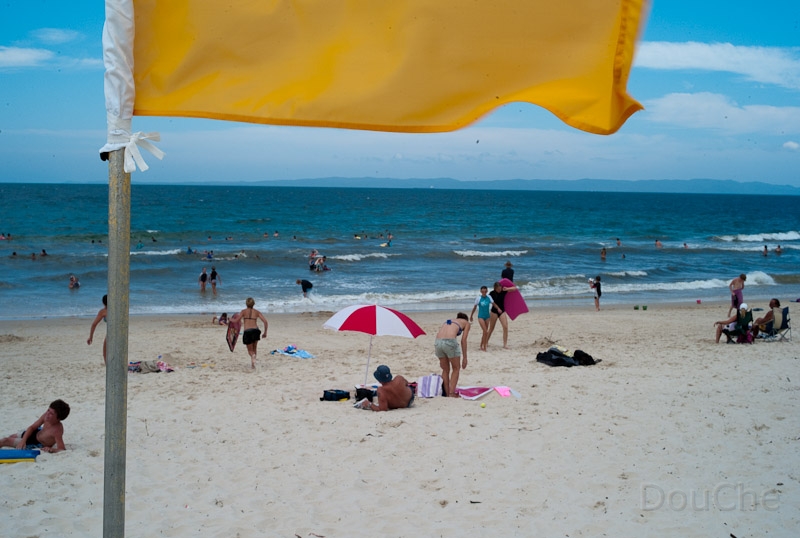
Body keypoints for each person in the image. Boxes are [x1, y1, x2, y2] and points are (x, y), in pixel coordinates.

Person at [1, 400, 70, 454]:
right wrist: (23, 441)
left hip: (36, 443)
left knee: (5, 440)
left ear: (58, 418)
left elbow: (61, 448)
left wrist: (51, 449)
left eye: (51, 413)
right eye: (48, 410)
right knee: (12, 436)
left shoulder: (57, 430)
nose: (47, 414)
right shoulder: (46, 416)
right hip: (35, 433)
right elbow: (32, 427)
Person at [434, 313, 470, 398]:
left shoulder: (450, 321)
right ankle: (452, 393)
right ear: (465, 319)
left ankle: (446, 393)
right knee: (456, 368)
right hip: (450, 342)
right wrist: (465, 358)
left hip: (437, 342)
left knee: (445, 370)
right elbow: (463, 340)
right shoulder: (466, 323)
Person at [232, 297, 269, 369]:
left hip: (248, 332)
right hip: (256, 331)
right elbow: (265, 321)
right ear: (253, 304)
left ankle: (253, 357)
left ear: (246, 304)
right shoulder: (257, 312)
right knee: (255, 348)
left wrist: (230, 319)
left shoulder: (243, 311)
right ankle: (253, 365)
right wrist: (265, 332)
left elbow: (236, 321)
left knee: (250, 351)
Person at [487, 281, 516, 349]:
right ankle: (486, 342)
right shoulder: (491, 293)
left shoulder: (503, 291)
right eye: (498, 289)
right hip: (494, 311)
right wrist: (498, 308)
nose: (499, 290)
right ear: (495, 288)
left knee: (505, 326)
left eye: (500, 288)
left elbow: (515, 288)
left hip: (502, 311)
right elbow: (492, 303)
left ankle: (505, 344)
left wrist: (507, 289)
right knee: (491, 328)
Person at [469, 285, 497, 351]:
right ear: (481, 291)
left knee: (485, 332)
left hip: (487, 316)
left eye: (485, 291)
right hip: (481, 316)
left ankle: (481, 345)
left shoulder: (489, 297)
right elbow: (474, 307)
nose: (484, 292)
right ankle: (484, 347)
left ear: (487, 291)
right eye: (483, 291)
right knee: (485, 331)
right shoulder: (478, 298)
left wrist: (498, 309)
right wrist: (471, 316)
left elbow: (494, 304)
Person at [87, 294, 108, 365]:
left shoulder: (103, 311)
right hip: (121, 332)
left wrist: (91, 337)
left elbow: (94, 324)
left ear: (103, 302)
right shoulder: (117, 309)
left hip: (111, 333)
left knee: (105, 354)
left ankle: (109, 369)